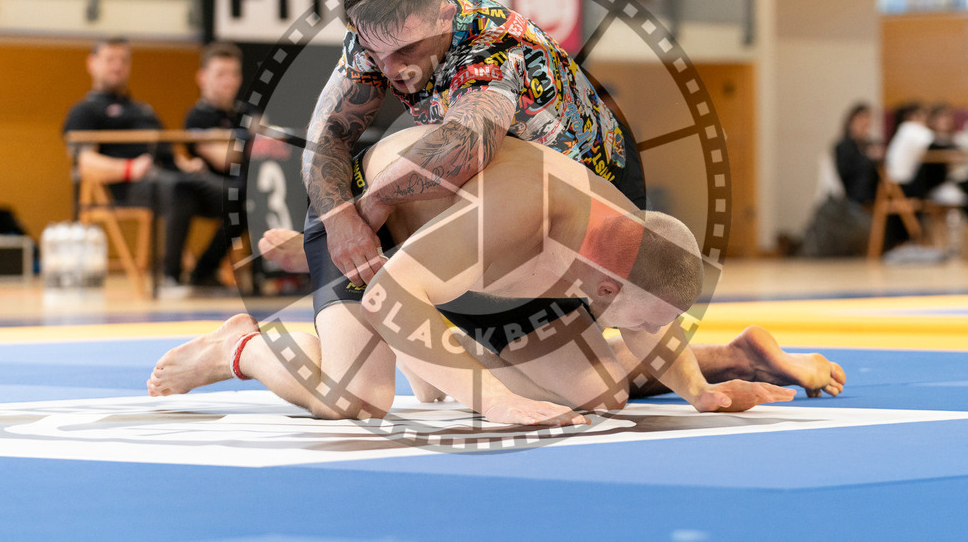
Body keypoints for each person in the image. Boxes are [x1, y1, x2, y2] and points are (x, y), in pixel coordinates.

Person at [149, 127, 845, 425]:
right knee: (362, 398)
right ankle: (236, 345)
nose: (641, 332)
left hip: (455, 256)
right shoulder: (522, 213)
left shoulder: (633, 237)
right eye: (624, 317)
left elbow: (652, 310)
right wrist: (488, 398)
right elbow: (394, 295)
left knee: (598, 394)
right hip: (373, 222)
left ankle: (721, 353)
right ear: (601, 287)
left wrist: (702, 389)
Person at [302, 0, 645, 376]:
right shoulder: (383, 32)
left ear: (444, 14)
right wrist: (337, 220)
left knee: (629, 323)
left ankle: (707, 361)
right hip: (521, 195)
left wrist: (373, 204)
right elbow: (327, 136)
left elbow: (466, 145)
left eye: (407, 50)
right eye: (375, 53)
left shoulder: (494, 45)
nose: (390, 70)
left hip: (600, 179)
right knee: (585, 380)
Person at [62, 37, 225, 289]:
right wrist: (128, 169)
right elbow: (85, 163)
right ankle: (171, 278)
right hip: (130, 183)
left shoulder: (143, 110)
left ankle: (203, 271)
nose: (117, 66)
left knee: (241, 197)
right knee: (180, 192)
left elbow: (167, 150)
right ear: (92, 63)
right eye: (110, 60)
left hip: (174, 176)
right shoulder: (84, 111)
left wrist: (185, 164)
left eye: (123, 60)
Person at [181, 42, 244, 288]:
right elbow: (225, 158)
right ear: (203, 77)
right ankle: (202, 272)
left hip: (251, 185)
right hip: (210, 192)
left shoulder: (245, 112)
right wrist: (250, 143)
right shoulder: (196, 117)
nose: (229, 81)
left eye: (234, 74)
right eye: (221, 74)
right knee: (243, 201)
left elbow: (270, 149)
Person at [834, 102, 881, 205]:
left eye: (867, 118)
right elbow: (846, 172)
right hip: (853, 198)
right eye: (861, 118)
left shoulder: (871, 144)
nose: (864, 122)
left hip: (875, 195)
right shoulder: (844, 146)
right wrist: (869, 158)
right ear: (851, 121)